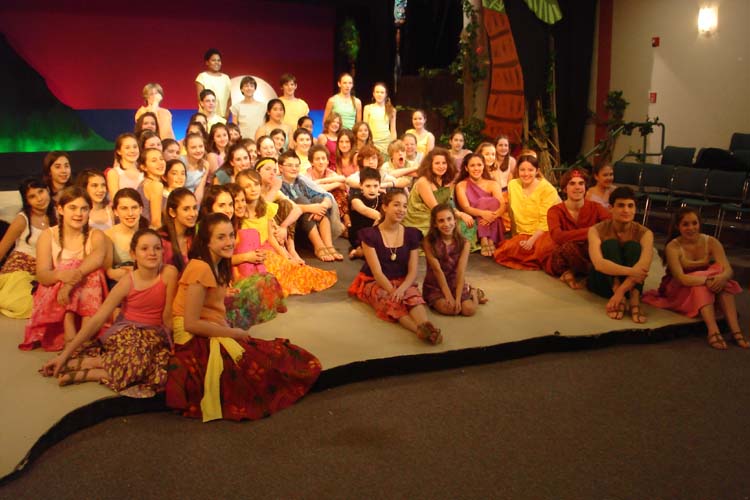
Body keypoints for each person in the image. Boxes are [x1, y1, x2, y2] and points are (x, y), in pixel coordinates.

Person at [165, 212, 321, 422]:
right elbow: (190, 324)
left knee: (271, 355)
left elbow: (213, 309)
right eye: (221, 237)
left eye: (231, 235)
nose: (229, 242)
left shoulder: (218, 264)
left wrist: (230, 330)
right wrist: (232, 333)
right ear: (206, 241)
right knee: (258, 367)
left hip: (211, 327)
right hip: (193, 338)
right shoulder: (200, 268)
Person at [41, 229, 178, 394]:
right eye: (144, 248)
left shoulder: (169, 273)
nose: (152, 253)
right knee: (138, 355)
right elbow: (98, 318)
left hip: (154, 335)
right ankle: (90, 365)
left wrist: (174, 343)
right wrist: (65, 355)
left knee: (161, 371)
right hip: (128, 333)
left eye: (157, 248)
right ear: (133, 254)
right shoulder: (127, 282)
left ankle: (91, 369)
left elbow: (167, 316)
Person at [642, 208, 746, 349]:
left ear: (699, 224)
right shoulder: (673, 247)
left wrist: (721, 278)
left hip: (708, 285)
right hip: (679, 289)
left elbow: (728, 269)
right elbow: (682, 278)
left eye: (694, 223)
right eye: (685, 224)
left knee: (722, 280)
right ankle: (713, 331)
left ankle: (736, 331)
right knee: (702, 284)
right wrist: (707, 280)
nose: (691, 228)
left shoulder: (711, 242)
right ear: (678, 226)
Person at [348, 189, 442, 344]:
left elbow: (413, 271)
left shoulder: (411, 234)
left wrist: (402, 289)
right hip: (375, 281)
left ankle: (427, 326)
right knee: (389, 299)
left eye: (404, 206)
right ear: (385, 207)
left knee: (413, 295)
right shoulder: (370, 235)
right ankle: (418, 330)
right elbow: (377, 273)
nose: (401, 210)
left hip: (402, 279)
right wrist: (393, 291)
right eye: (396, 205)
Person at [20, 187, 108, 352]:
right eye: (72, 208)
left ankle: (84, 331)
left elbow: (97, 259)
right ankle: (70, 330)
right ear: (60, 210)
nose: (79, 214)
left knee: (92, 271)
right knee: (67, 267)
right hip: (56, 302)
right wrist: (61, 275)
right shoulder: (48, 236)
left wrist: (70, 282)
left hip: (86, 304)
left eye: (84, 209)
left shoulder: (96, 235)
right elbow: (42, 276)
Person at [236, 169, 336, 296]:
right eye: (247, 186)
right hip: (248, 253)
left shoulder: (265, 209)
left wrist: (287, 257)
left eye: (256, 184)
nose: (253, 189)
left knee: (293, 271)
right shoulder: (238, 213)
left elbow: (271, 238)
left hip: (267, 251)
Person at [587, 186, 653, 323]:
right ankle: (617, 292)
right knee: (610, 244)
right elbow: (599, 264)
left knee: (633, 246)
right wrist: (631, 272)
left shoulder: (645, 233)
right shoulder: (596, 230)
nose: (626, 210)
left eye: (630, 206)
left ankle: (634, 299)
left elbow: (644, 265)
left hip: (630, 286)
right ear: (611, 208)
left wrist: (621, 291)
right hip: (603, 282)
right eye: (621, 205)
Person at [544, 168, 611, 289]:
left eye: (581, 183)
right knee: (565, 248)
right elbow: (558, 237)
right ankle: (589, 272)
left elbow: (609, 225)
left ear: (585, 187)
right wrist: (593, 231)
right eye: (572, 183)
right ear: (565, 188)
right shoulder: (554, 211)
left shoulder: (596, 207)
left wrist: (574, 235)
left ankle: (573, 273)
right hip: (566, 252)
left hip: (591, 251)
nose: (577, 187)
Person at [494, 152, 560, 270]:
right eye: (522, 170)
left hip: (543, 233)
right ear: (517, 170)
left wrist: (532, 240)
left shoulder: (547, 189)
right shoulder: (513, 185)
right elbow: (512, 213)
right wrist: (516, 237)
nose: (526, 174)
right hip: (522, 234)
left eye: (530, 170)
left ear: (537, 171)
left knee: (544, 251)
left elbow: (545, 220)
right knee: (503, 252)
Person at [0, 179, 56, 318]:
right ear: (27, 201)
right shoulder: (22, 219)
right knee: (29, 306)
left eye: (41, 192)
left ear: (48, 190)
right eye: (32, 196)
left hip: (44, 273)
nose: (39, 199)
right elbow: (1, 250)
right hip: (19, 272)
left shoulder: (58, 215)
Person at [423, 203, 487, 316]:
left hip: (455, 282)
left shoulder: (464, 243)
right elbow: (437, 270)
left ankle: (473, 292)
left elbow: (460, 271)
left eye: (449, 219)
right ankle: (451, 297)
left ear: (455, 220)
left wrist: (457, 298)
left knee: (468, 310)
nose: (446, 224)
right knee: (451, 309)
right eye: (441, 221)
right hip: (436, 284)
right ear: (435, 224)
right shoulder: (428, 242)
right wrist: (448, 296)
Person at [279, 151, 343, 262]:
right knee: (302, 200)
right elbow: (286, 206)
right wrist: (311, 208)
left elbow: (325, 195)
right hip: (292, 227)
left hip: (311, 223)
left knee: (319, 199)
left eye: (297, 165)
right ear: (280, 168)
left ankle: (328, 245)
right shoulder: (277, 184)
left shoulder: (300, 182)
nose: (294, 168)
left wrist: (322, 206)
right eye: (290, 165)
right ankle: (318, 246)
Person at [402, 148, 475, 241]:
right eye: (437, 163)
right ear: (430, 165)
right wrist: (460, 214)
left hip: (441, 213)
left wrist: (460, 214)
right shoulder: (423, 182)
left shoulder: (446, 180)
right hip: (422, 217)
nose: (441, 166)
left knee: (468, 223)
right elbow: (436, 208)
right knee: (448, 225)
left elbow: (447, 204)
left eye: (444, 163)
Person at [454, 153, 505, 257]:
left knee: (493, 202)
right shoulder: (461, 185)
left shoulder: (493, 184)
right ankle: (485, 239)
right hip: (474, 218)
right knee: (483, 201)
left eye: (479, 165)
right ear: (466, 168)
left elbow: (502, 205)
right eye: (472, 165)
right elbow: (466, 208)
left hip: (493, 219)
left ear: (483, 166)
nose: (476, 168)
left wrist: (491, 217)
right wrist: (483, 213)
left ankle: (488, 240)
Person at [306, 144, 349, 232]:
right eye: (317, 159)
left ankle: (345, 221)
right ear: (311, 162)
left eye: (323, 158)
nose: (321, 162)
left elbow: (343, 181)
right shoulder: (307, 175)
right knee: (330, 193)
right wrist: (336, 184)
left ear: (327, 161)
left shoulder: (329, 172)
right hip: (315, 202)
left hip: (330, 204)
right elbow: (316, 190)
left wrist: (321, 181)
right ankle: (341, 226)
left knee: (338, 192)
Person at [105, 188, 144, 283]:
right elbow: (108, 272)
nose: (130, 213)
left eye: (134, 208)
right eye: (124, 208)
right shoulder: (108, 236)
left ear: (141, 209)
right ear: (115, 211)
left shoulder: (151, 235)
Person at [159, 188, 198, 273]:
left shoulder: (194, 238)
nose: (193, 214)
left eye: (195, 208)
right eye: (186, 209)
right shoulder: (160, 240)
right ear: (172, 212)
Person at [348, 167, 381, 259]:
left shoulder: (382, 198)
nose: (372, 190)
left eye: (375, 186)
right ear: (361, 186)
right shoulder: (355, 198)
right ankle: (360, 251)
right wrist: (385, 218)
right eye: (368, 186)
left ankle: (364, 252)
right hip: (359, 235)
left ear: (380, 185)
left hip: (377, 233)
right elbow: (364, 210)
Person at [195, 48, 232, 119]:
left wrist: (227, 113)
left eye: (218, 60)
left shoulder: (226, 78)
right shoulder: (202, 77)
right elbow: (200, 99)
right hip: (206, 117)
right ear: (207, 62)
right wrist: (207, 117)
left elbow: (229, 99)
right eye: (213, 60)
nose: (216, 63)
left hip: (223, 117)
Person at [363, 82, 397, 155]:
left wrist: (393, 145)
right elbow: (365, 128)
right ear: (373, 94)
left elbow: (393, 130)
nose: (379, 94)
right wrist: (366, 142)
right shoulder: (368, 108)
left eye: (382, 92)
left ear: (385, 94)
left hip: (386, 143)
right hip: (372, 142)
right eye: (377, 92)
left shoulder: (392, 110)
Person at [106, 133, 143, 201]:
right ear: (119, 151)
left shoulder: (145, 171)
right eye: (127, 148)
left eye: (135, 147)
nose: (132, 151)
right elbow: (115, 200)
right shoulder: (114, 173)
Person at [136, 148, 166, 228]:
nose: (160, 163)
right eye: (154, 160)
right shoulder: (156, 185)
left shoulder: (143, 183)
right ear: (144, 167)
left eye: (161, 159)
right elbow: (156, 222)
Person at [230, 76, 266, 140]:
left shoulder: (263, 106)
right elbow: (234, 127)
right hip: (243, 140)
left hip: (260, 139)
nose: (249, 88)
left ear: (255, 89)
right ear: (242, 89)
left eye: (251, 86)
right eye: (246, 86)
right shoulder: (236, 106)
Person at [181, 132, 209, 205]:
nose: (198, 150)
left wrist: (194, 206)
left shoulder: (205, 165)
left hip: (195, 202)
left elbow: (200, 189)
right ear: (186, 148)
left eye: (201, 146)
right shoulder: (180, 162)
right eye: (193, 147)